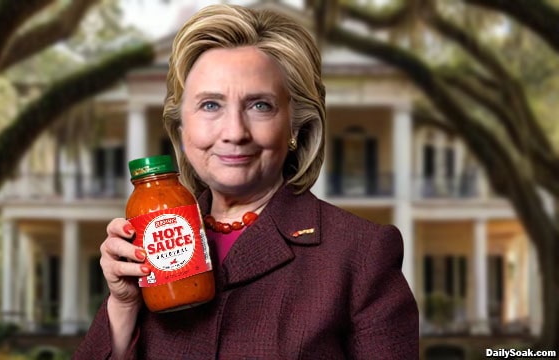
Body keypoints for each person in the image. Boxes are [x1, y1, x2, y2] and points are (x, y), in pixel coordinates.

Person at [75, 4, 418, 359]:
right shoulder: (151, 251)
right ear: (181, 127)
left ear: (295, 125)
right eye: (210, 105)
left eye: (260, 105)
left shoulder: (361, 253)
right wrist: (123, 305)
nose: (234, 132)